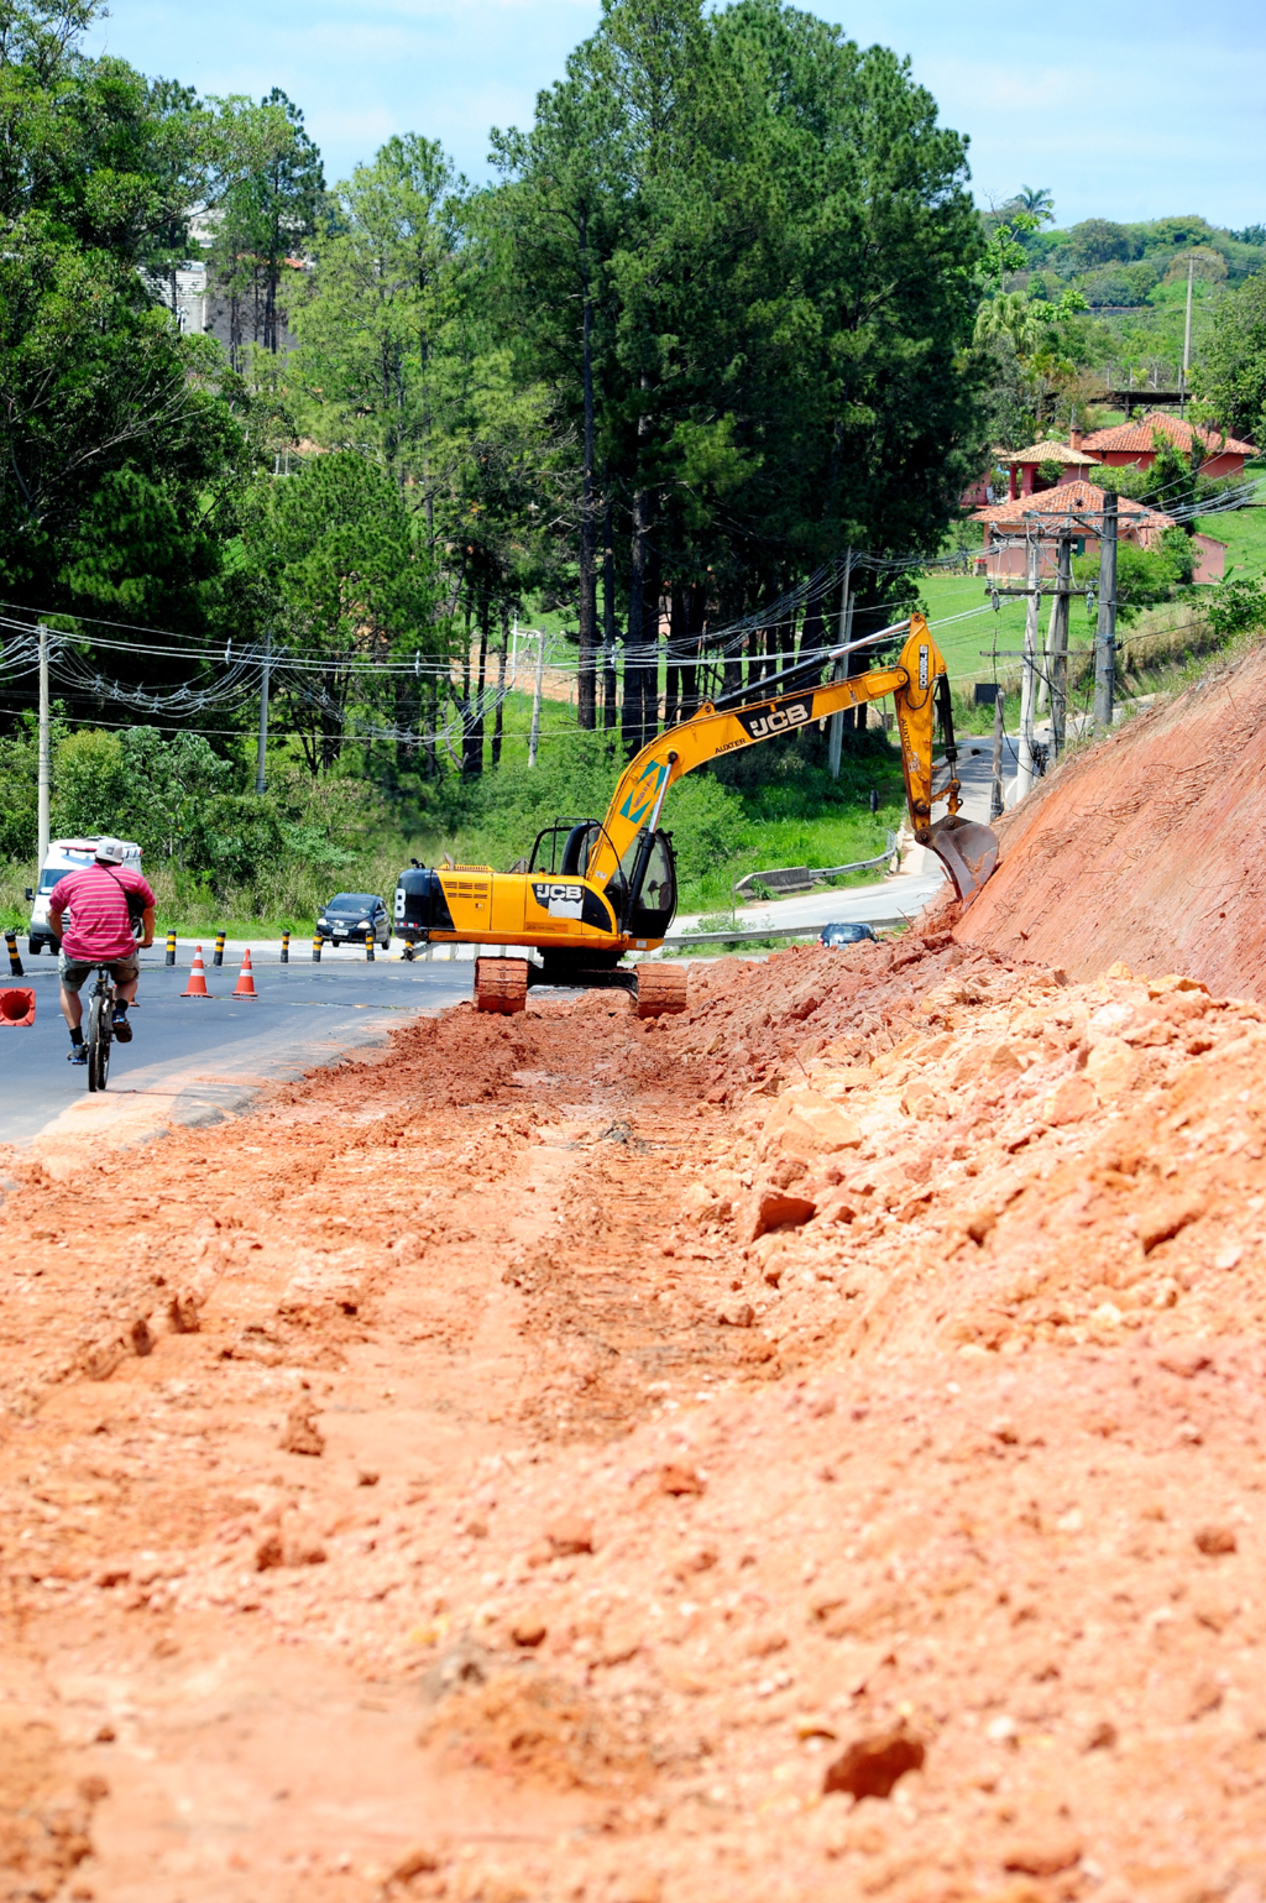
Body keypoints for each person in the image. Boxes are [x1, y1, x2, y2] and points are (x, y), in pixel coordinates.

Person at [48, 840, 156, 1065]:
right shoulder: (134, 879)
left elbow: (52, 914)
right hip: (120, 949)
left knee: (68, 988)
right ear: (121, 860)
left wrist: (63, 939)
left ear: (95, 857)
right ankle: (119, 1012)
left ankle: (77, 1044)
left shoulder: (71, 880)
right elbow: (148, 912)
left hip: (78, 950)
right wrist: (147, 939)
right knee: (129, 980)